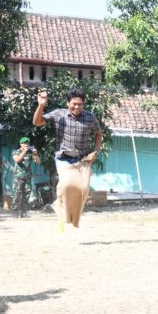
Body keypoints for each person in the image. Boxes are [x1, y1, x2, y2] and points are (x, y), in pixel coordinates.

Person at [32, 88, 102, 228]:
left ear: (83, 104)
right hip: (64, 158)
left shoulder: (90, 117)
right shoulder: (59, 114)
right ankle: (61, 210)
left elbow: (99, 134)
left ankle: (73, 218)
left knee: (83, 190)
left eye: (80, 104)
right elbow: (37, 122)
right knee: (66, 184)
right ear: (67, 103)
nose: (77, 107)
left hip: (83, 159)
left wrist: (95, 151)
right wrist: (41, 105)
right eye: (74, 104)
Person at [12, 137, 40, 218]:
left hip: (27, 176)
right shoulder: (16, 152)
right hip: (18, 177)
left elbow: (38, 162)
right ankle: (15, 211)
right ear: (21, 144)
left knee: (27, 193)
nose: (26, 145)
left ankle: (23, 212)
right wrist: (24, 151)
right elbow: (17, 160)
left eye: (28, 143)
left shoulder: (31, 152)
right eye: (25, 143)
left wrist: (35, 154)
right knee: (16, 194)